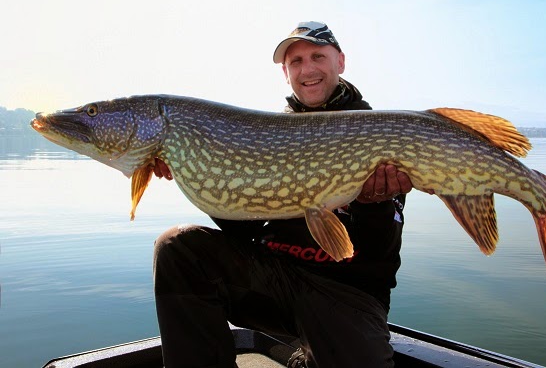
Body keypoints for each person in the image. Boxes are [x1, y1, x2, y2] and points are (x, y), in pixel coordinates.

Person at [152, 21, 413, 368]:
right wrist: (203, 177)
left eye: (317, 56)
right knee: (177, 248)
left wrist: (374, 203)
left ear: (341, 62)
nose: (307, 69)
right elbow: (246, 231)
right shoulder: (267, 135)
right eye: (295, 62)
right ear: (286, 73)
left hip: (348, 293)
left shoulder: (374, 132)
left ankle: (310, 358)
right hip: (274, 281)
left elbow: (378, 252)